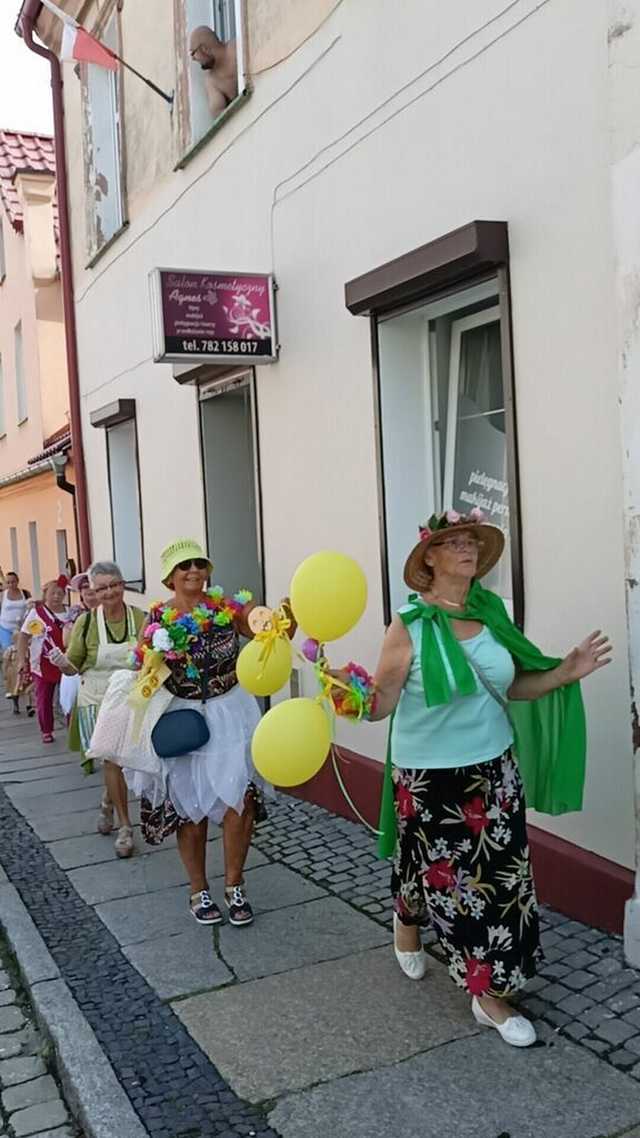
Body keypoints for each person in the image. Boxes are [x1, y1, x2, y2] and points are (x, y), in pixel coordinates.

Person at [362, 508, 610, 1048]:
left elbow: (511, 684)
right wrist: (350, 694)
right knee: (459, 888)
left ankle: (409, 919)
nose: (468, 549)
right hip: (429, 779)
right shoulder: (409, 623)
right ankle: (487, 997)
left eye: (472, 541)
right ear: (430, 556)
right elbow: (380, 704)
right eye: (455, 542)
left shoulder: (491, 612)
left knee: (500, 880)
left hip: (494, 769)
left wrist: (565, 671)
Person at [121, 538, 292, 926]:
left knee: (238, 803)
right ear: (170, 577)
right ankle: (198, 891)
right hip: (184, 720)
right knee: (189, 810)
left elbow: (262, 629)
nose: (194, 571)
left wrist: (282, 620)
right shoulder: (158, 620)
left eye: (200, 564)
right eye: (185, 566)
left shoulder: (225, 608)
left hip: (230, 713)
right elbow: (144, 671)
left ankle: (235, 885)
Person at [51, 561, 145, 858]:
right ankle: (126, 828)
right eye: (101, 588)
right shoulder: (87, 623)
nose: (109, 592)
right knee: (111, 761)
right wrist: (63, 664)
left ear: (123, 585)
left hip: (131, 700)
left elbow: (150, 658)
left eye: (114, 585)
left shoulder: (139, 617)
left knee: (124, 762)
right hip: (97, 701)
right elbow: (74, 665)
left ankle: (107, 801)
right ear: (92, 591)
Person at [16, 579, 68, 743]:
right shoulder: (37, 613)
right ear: (45, 594)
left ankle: (72, 725)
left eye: (60, 593)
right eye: (52, 593)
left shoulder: (70, 613)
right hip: (42, 663)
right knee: (44, 698)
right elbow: (24, 636)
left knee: (69, 695)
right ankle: (46, 729)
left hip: (67, 662)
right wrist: (21, 659)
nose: (56, 597)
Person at [59, 574, 98, 722]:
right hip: (79, 663)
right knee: (73, 701)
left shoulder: (107, 611)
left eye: (93, 591)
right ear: (81, 594)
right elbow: (66, 641)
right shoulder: (75, 612)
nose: (90, 595)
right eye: (86, 592)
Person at [189, 25, 238, 116]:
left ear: (204, 49)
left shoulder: (236, 49)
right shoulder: (211, 81)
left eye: (193, 53)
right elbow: (218, 113)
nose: (193, 59)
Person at [0, 572, 31, 652]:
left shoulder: (25, 593)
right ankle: (8, 664)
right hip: (5, 628)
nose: (11, 585)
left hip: (21, 628)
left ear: (17, 581)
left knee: (21, 650)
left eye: (13, 582)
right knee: (8, 650)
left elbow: (31, 608)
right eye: (8, 582)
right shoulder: (2, 595)